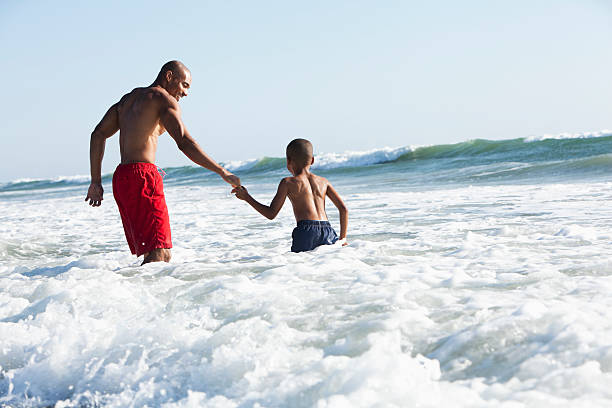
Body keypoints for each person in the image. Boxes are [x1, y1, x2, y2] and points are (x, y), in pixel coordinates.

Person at [85, 60, 240, 265]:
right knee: (160, 253)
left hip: (122, 179)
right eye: (184, 85)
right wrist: (221, 171)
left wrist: (95, 181)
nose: (185, 93)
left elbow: (98, 134)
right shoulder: (163, 100)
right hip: (143, 176)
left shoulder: (126, 100)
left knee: (153, 251)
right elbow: (184, 142)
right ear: (168, 77)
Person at [232, 138, 348, 252]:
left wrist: (247, 197)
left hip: (306, 231)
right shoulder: (323, 182)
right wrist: (342, 239)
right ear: (312, 160)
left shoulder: (288, 182)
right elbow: (343, 209)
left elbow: (271, 214)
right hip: (327, 230)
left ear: (288, 161)